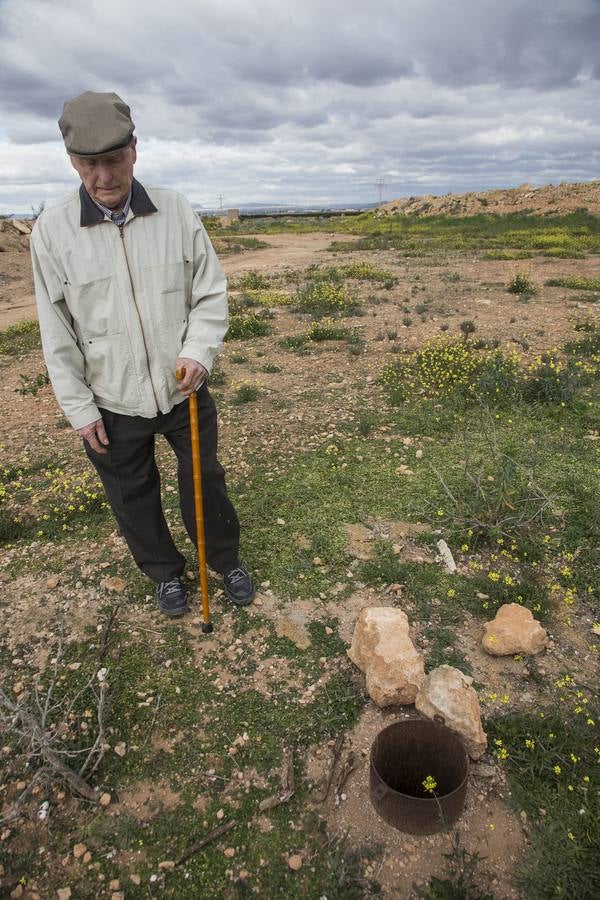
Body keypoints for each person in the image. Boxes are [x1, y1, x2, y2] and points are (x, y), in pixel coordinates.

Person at [30, 90, 254, 616]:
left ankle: (223, 559)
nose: (103, 176)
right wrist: (80, 410)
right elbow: (55, 331)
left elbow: (209, 290)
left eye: (113, 160)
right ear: (72, 163)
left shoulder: (174, 209)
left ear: (134, 151)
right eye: (89, 164)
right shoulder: (53, 231)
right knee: (132, 495)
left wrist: (199, 352)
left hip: (184, 387)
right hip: (111, 397)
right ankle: (163, 573)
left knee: (206, 480)